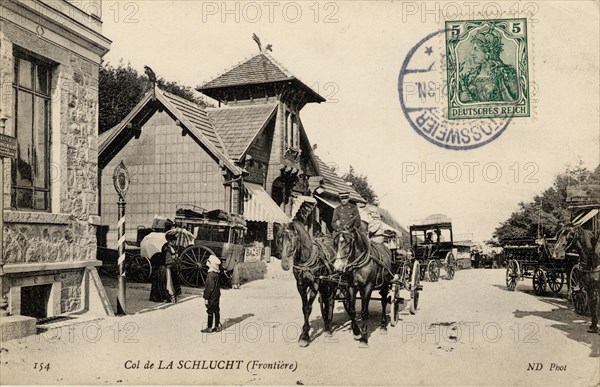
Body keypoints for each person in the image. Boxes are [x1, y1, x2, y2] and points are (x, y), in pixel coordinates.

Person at [458, 26, 519, 103]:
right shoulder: (470, 76)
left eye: (476, 49)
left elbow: (515, 103)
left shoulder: (507, 74)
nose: (472, 53)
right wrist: (461, 98)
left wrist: (503, 90)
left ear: (487, 52)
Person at [149, 233, 179, 303]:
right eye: (173, 241)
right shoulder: (166, 248)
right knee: (164, 283)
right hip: (163, 267)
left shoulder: (166, 247)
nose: (174, 243)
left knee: (160, 282)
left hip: (160, 266)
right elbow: (167, 260)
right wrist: (173, 258)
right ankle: (163, 296)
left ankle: (158, 296)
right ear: (170, 241)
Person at [201, 255, 222, 333]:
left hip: (211, 296)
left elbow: (209, 288)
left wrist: (206, 297)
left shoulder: (210, 275)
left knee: (210, 310)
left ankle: (209, 327)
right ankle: (216, 326)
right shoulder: (216, 274)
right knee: (216, 310)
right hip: (216, 295)